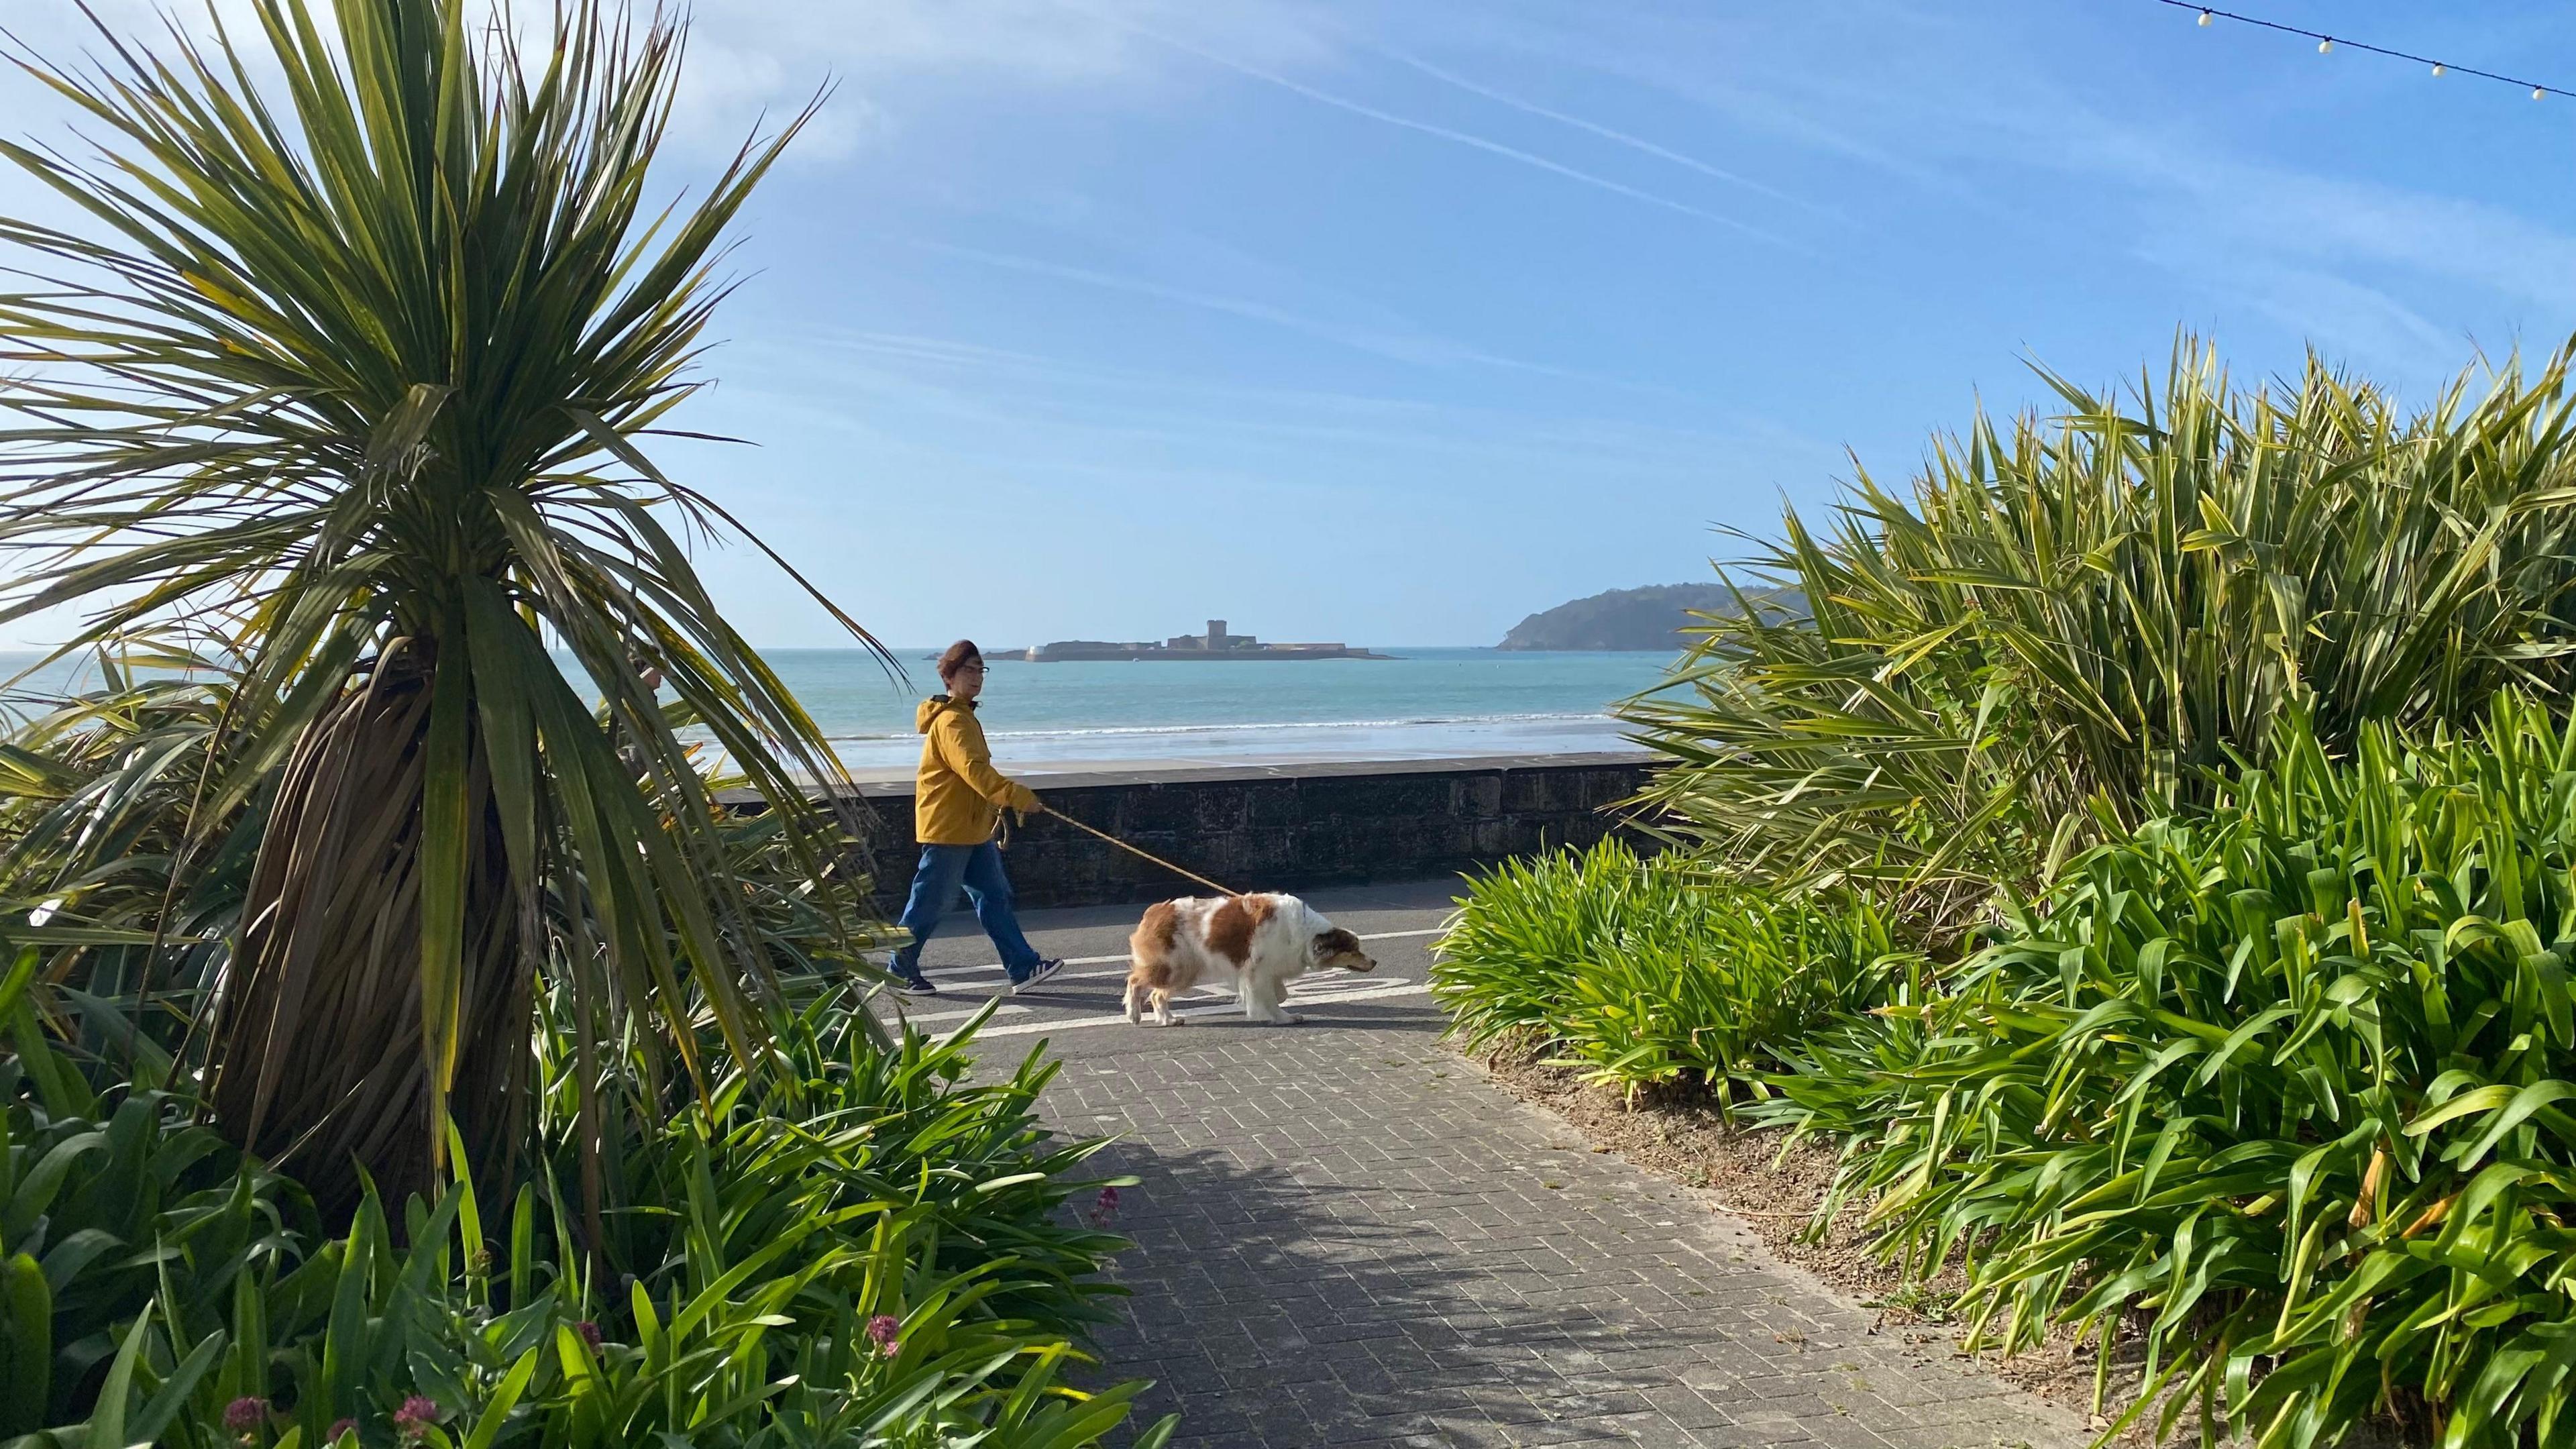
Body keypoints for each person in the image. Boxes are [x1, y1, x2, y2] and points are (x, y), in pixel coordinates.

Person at [883, 640, 1066, 996]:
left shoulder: (964, 716)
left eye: (981, 670)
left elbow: (975, 776)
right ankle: (899, 968)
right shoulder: (953, 721)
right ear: (949, 676)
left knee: (993, 897)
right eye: (969, 670)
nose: (977, 677)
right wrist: (1016, 797)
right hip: (948, 828)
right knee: (930, 902)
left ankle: (1023, 966)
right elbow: (975, 772)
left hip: (973, 828)